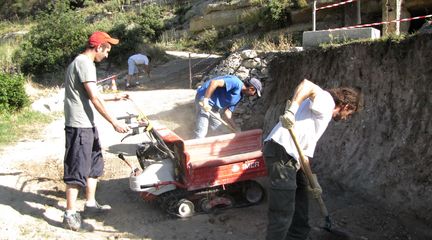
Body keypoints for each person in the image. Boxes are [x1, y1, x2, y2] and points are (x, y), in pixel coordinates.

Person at [263, 79, 363, 240]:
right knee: (283, 209)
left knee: (301, 196)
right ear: (346, 106)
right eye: (348, 114)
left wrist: (312, 181)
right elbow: (306, 85)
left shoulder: (320, 116)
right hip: (282, 153)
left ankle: (298, 235)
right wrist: (291, 110)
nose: (345, 118)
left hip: (293, 157)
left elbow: (304, 152)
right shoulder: (327, 102)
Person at [62, 31, 129, 231]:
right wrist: (114, 122)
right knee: (77, 167)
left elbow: (92, 94)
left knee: (94, 163)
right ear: (98, 47)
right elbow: (94, 97)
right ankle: (70, 213)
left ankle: (90, 204)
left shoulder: (83, 64)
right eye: (107, 50)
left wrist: (115, 98)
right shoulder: (84, 63)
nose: (107, 55)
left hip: (87, 124)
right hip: (79, 125)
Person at [193, 75, 262, 139]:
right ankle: (194, 148)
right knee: (202, 129)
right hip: (204, 98)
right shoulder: (236, 83)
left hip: (214, 107)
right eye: (255, 93)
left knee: (218, 129)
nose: (253, 95)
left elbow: (228, 112)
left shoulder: (239, 97)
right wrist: (206, 100)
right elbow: (214, 83)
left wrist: (235, 128)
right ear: (251, 88)